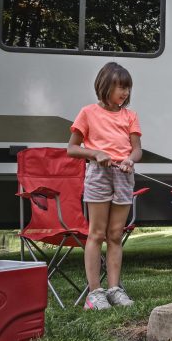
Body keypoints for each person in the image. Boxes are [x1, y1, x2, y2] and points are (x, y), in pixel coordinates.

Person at [68, 62, 143, 310]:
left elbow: (137, 150)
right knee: (96, 234)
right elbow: (72, 148)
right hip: (99, 174)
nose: (124, 93)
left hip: (123, 175)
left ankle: (114, 289)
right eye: (119, 87)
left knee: (115, 235)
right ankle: (94, 293)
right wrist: (95, 153)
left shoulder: (130, 116)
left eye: (127, 88)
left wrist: (130, 160)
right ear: (104, 86)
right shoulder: (88, 113)